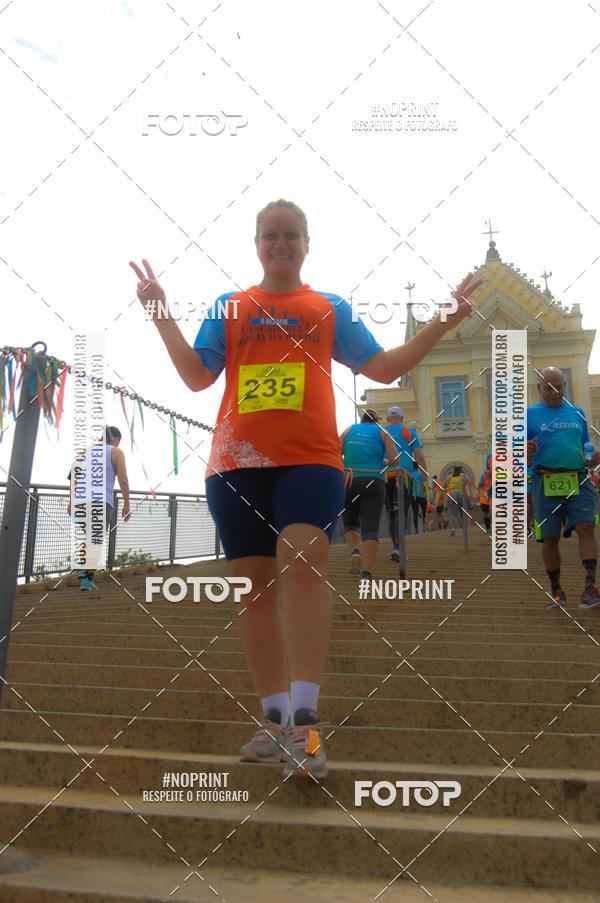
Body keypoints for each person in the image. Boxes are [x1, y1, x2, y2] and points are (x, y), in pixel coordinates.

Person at [130, 199, 482, 780]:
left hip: (311, 460)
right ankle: (272, 722)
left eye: (290, 235)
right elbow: (197, 376)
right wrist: (161, 312)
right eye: (270, 236)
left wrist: (444, 319)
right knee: (253, 588)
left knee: (304, 560)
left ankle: (306, 722)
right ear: (257, 244)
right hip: (236, 462)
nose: (280, 244)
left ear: (306, 243)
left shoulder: (328, 308)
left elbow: (384, 368)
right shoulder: (230, 306)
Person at [527, 366, 600, 609]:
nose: (554, 392)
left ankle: (590, 587)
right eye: (548, 387)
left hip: (577, 478)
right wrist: (526, 450)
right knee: (550, 538)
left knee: (586, 526)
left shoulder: (577, 413)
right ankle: (557, 591)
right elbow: (515, 451)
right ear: (539, 389)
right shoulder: (529, 415)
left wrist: (591, 456)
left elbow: (586, 443)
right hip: (544, 481)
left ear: (564, 387)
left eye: (559, 387)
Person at [67, 426, 131, 591]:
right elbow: (123, 480)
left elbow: (74, 478)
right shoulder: (116, 452)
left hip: (80, 503)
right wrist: (126, 504)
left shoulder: (83, 452)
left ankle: (82, 567)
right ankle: (87, 580)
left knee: (90, 537)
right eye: (118, 441)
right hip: (101, 502)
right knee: (95, 540)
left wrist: (70, 501)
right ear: (115, 438)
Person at [340, 409, 399, 582]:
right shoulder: (383, 432)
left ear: (362, 419)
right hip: (373, 479)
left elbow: (333, 450)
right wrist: (386, 462)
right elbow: (395, 458)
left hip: (349, 479)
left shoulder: (349, 429)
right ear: (376, 421)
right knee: (370, 528)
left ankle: (354, 552)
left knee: (350, 523)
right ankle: (366, 573)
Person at [384, 406, 426, 559]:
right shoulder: (409, 431)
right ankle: (398, 548)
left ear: (388, 419)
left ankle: (395, 547)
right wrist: (424, 477)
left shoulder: (383, 432)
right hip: (404, 477)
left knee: (392, 514)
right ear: (402, 418)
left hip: (386, 476)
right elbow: (419, 456)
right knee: (401, 513)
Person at [444, 465, 468, 536]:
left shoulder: (449, 477)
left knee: (452, 513)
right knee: (462, 513)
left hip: (452, 496)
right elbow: (465, 485)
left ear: (453, 471)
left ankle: (453, 529)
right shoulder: (463, 478)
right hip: (461, 495)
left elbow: (443, 486)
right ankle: (464, 529)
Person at [410, 460, 428, 533]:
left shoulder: (409, 474)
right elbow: (425, 486)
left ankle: (416, 530)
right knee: (424, 511)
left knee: (415, 513)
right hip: (421, 495)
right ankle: (424, 525)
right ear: (418, 467)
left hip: (413, 496)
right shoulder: (421, 475)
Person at [478, 452, 492, 536]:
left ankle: (491, 528)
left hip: (490, 497)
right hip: (485, 498)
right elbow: (479, 485)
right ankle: (488, 528)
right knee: (486, 513)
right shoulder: (484, 475)